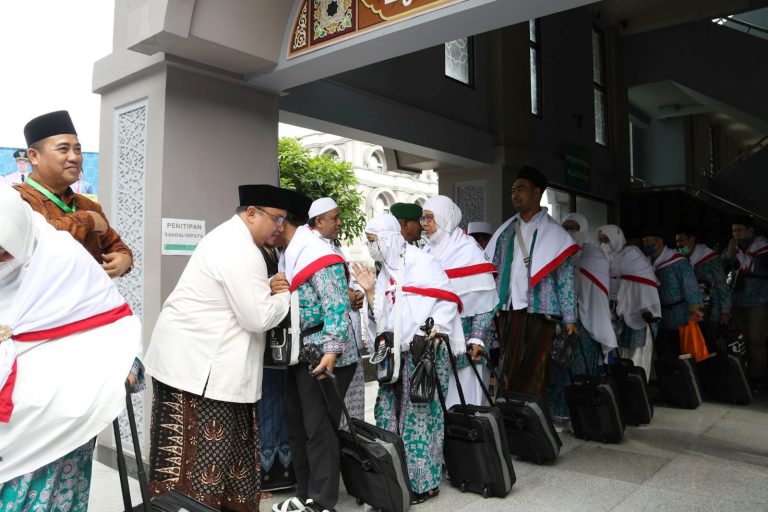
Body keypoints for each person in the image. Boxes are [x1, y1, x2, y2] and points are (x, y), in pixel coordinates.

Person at [144, 184, 292, 511]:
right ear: (251, 213)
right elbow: (257, 316)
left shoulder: (231, 239)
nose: (279, 228)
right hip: (198, 371)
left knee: (229, 456)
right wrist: (283, 295)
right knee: (198, 467)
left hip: (200, 367)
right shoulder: (240, 249)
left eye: (283, 222)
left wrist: (267, 290)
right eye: (276, 220)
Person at [0, 184, 140, 509]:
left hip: (60, 425)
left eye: (3, 250)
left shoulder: (62, 259)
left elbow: (112, 322)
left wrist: (124, 371)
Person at [352, 213, 464, 504]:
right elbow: (382, 322)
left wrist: (437, 328)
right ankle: (394, 477)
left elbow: (447, 299)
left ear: (388, 238)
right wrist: (371, 290)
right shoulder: (387, 272)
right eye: (368, 241)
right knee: (387, 412)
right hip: (395, 359)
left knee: (420, 419)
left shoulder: (421, 262)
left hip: (423, 354)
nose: (370, 246)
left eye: (373, 241)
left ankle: (425, 483)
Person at [269, 195, 359, 512]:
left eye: (273, 220)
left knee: (319, 428)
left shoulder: (317, 253)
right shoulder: (289, 255)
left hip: (326, 357)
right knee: (299, 425)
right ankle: (305, 493)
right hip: (301, 354)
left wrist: (331, 351)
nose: (269, 228)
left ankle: (321, 501)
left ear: (282, 222)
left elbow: (336, 305)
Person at [485, 166, 578, 396]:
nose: (515, 194)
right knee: (508, 366)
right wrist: (493, 303)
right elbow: (493, 268)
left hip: (542, 312)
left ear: (537, 193)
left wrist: (569, 317)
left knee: (536, 368)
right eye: (513, 189)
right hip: (509, 309)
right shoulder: (506, 230)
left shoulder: (556, 234)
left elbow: (564, 278)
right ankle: (510, 413)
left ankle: (531, 418)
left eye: (521, 189)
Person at [14, 110, 133, 277]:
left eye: (77, 150)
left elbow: (115, 244)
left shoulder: (88, 205)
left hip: (90, 300)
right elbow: (35, 241)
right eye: (63, 149)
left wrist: (124, 259)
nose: (75, 157)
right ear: (34, 156)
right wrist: (86, 220)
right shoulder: (15, 200)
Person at [421, 195, 498, 406]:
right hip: (433, 345)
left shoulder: (469, 251)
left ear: (445, 218)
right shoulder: (426, 252)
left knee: (465, 402)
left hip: (465, 347)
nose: (424, 224)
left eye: (429, 218)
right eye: (423, 219)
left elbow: (486, 301)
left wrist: (477, 338)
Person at [548, 213, 617, 426]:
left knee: (578, 371)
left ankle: (578, 415)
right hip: (559, 323)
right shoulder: (554, 252)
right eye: (566, 226)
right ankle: (555, 413)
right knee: (557, 370)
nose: (569, 230)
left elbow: (597, 293)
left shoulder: (595, 256)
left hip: (586, 326)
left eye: (574, 227)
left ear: (584, 230)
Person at [307, 197, 366, 424]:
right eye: (334, 218)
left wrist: (354, 294)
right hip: (327, 345)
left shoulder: (334, 248)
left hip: (347, 340)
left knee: (349, 408)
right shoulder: (312, 248)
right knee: (329, 415)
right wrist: (346, 296)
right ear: (319, 221)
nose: (339, 222)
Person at [597, 225, 661, 375]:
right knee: (622, 356)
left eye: (607, 240)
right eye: (600, 241)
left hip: (640, 313)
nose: (603, 244)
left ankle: (639, 391)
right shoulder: (604, 258)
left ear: (616, 238)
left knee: (637, 357)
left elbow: (638, 284)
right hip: (617, 316)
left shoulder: (632, 254)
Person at [722, 216, 768, 389]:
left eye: (740, 231)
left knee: (756, 339)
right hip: (737, 300)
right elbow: (722, 267)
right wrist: (729, 254)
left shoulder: (763, 246)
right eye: (734, 231)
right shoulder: (734, 248)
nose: (736, 234)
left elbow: (761, 270)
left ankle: (758, 378)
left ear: (750, 231)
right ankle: (741, 374)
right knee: (738, 339)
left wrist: (739, 254)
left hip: (759, 300)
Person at [642, 229, 704, 356]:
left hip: (680, 316)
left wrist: (695, 307)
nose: (645, 245)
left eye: (648, 241)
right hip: (660, 318)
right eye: (644, 242)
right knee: (665, 353)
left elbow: (690, 284)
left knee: (681, 352)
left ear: (659, 242)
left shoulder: (678, 261)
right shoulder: (647, 263)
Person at [675, 227, 731, 350]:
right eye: (677, 242)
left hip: (712, 313)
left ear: (692, 240)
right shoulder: (680, 260)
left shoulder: (710, 258)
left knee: (709, 346)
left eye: (682, 241)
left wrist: (725, 311)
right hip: (691, 314)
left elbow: (722, 285)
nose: (679, 245)